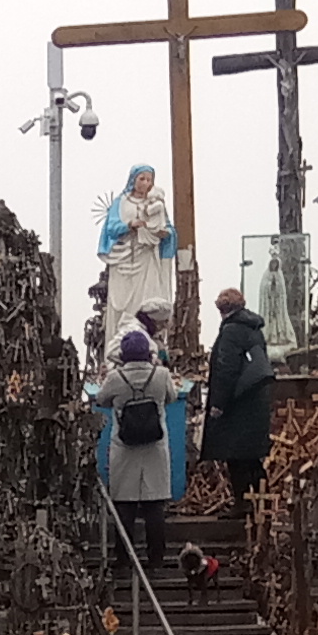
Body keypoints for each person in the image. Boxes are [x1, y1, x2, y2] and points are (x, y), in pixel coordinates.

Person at [95, 327, 185, 561]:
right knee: (154, 505)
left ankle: (124, 557)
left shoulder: (116, 378)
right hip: (155, 446)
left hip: (124, 447)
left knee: (125, 505)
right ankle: (156, 557)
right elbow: (172, 397)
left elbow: (101, 399)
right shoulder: (161, 375)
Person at [199, 285, 274, 514]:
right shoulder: (254, 329)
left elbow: (226, 370)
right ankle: (263, 501)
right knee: (252, 458)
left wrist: (218, 405)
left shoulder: (231, 331)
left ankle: (242, 504)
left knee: (236, 456)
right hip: (255, 403)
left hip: (236, 407)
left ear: (223, 309)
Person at [95, 166, 176, 347]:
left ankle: (149, 347)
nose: (145, 183)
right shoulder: (121, 202)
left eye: (149, 180)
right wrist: (130, 224)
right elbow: (111, 227)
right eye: (142, 179)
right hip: (123, 260)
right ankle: (118, 347)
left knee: (147, 303)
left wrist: (165, 233)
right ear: (133, 180)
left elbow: (168, 227)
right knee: (120, 305)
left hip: (147, 259)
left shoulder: (157, 203)